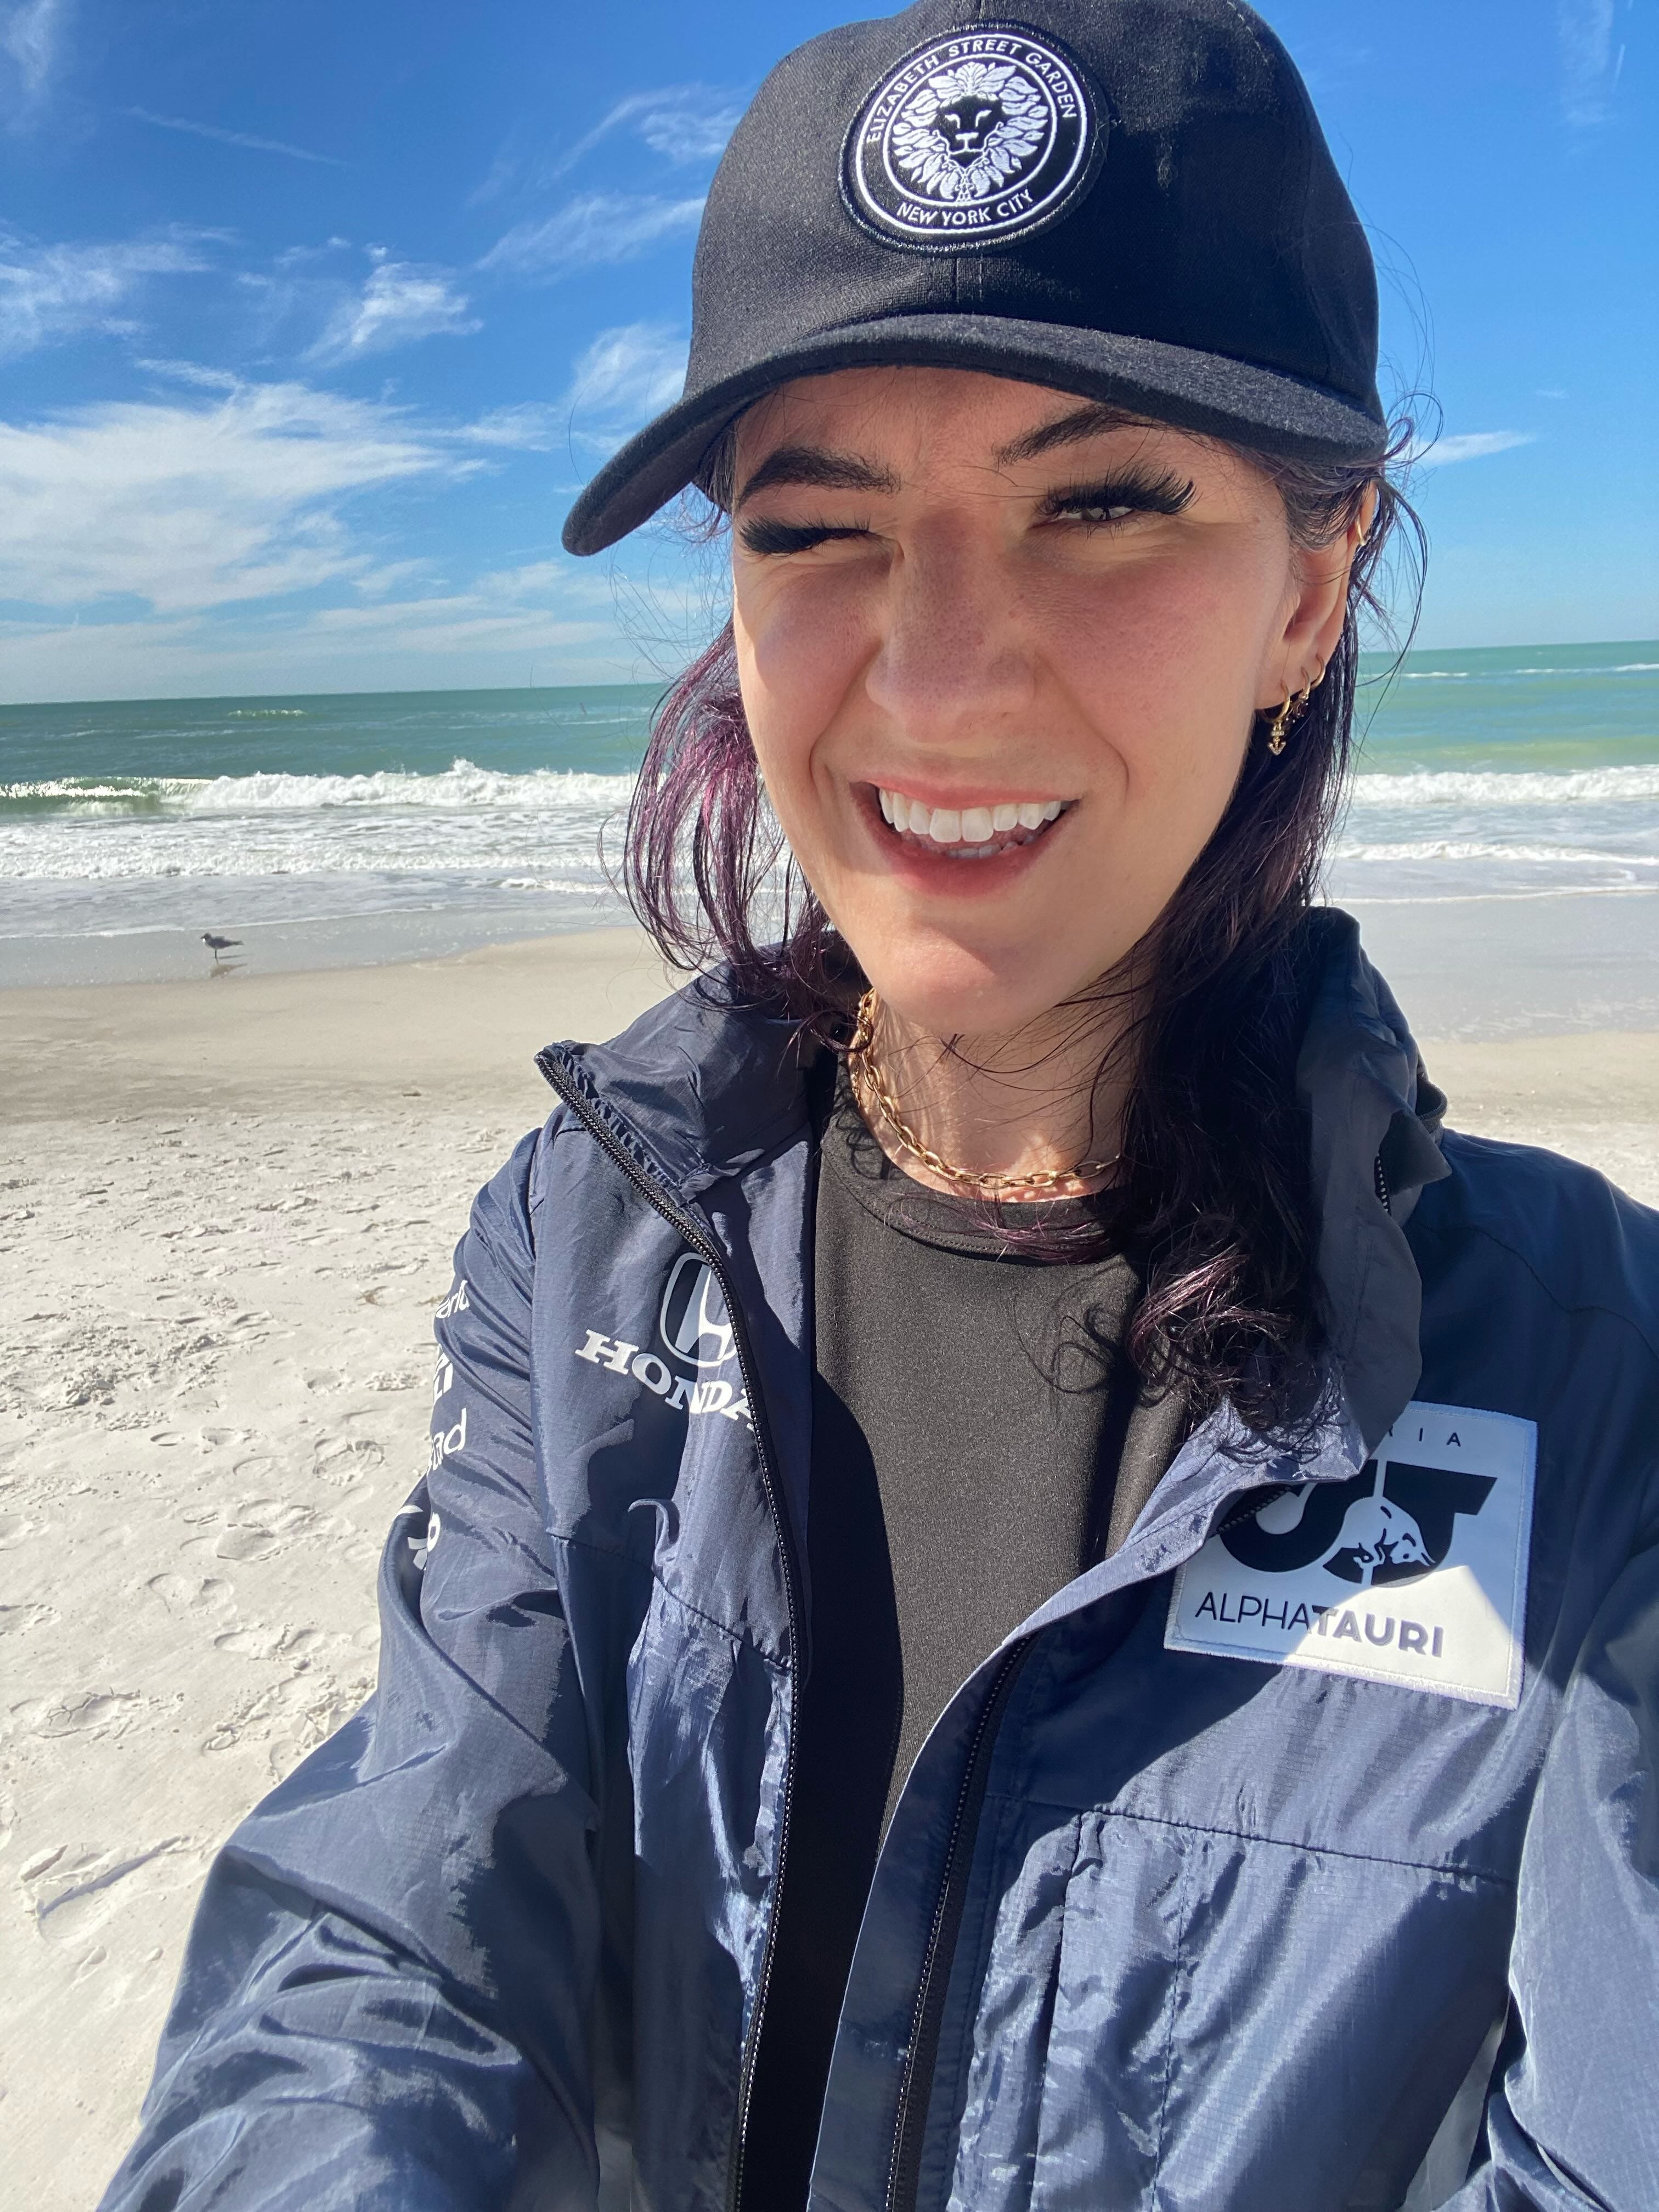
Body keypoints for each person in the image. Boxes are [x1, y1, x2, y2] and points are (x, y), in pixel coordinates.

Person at [103, 4, 1659, 2209]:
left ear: (1311, 590)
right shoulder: (591, 1241)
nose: (933, 677)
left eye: (1102, 503)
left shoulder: (1602, 1383)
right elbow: (405, 1935)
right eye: (815, 526)